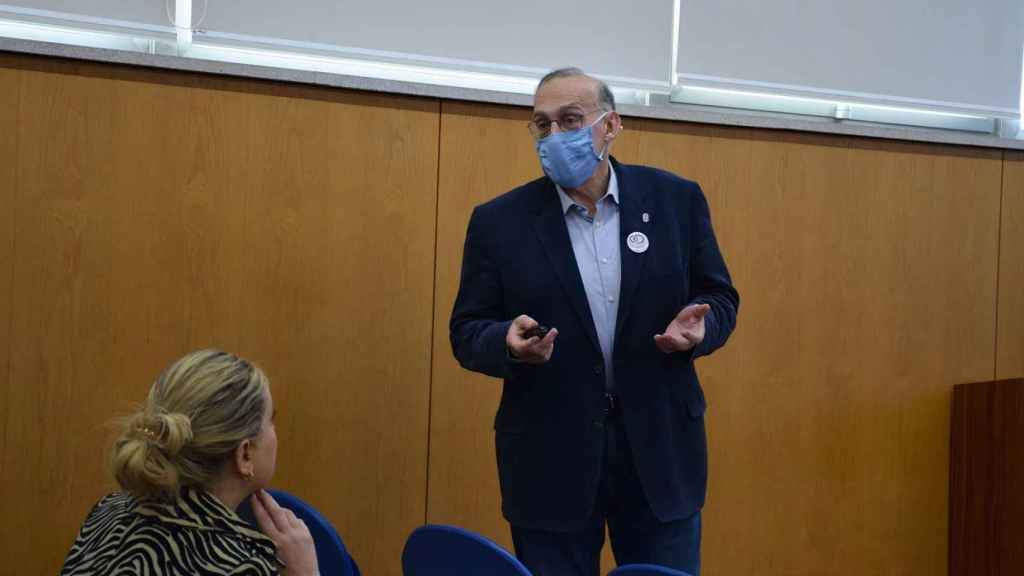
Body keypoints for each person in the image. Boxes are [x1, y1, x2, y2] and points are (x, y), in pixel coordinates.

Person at [449, 67, 739, 576]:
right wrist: (508, 343)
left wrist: (702, 329)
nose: (554, 136)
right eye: (542, 125)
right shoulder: (499, 222)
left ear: (610, 126)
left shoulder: (675, 201)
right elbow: (467, 330)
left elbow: (719, 297)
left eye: (570, 120)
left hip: (661, 452)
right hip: (549, 458)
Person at [60, 349, 319, 576]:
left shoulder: (107, 512)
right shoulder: (243, 565)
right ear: (245, 455)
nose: (275, 430)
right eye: (270, 420)